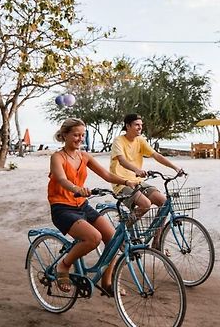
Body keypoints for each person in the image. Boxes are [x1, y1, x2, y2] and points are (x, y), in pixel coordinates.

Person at [48, 118, 137, 294]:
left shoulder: (84, 156)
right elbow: (61, 179)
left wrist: (127, 181)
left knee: (113, 239)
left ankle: (107, 282)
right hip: (62, 208)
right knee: (94, 238)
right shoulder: (57, 157)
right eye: (76, 135)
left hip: (82, 205)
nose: (80, 138)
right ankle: (64, 265)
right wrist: (77, 189)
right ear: (65, 135)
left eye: (83, 135)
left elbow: (106, 174)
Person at [110, 113, 183, 246]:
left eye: (141, 125)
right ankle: (123, 231)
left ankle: (156, 242)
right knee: (145, 204)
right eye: (137, 125)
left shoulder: (140, 140)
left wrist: (175, 167)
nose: (140, 128)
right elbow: (121, 160)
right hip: (121, 183)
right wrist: (136, 170)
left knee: (164, 202)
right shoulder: (118, 141)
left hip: (137, 182)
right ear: (128, 126)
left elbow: (156, 155)